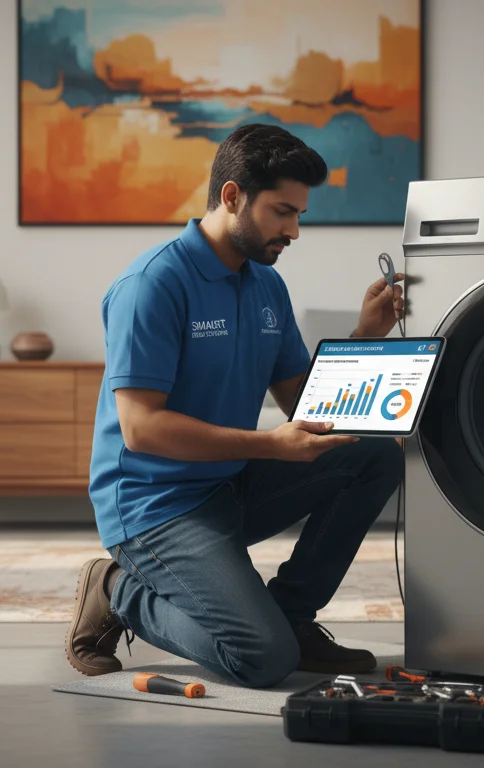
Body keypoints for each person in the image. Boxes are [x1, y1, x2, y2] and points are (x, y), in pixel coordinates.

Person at [66, 123, 406, 689]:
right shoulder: (153, 284)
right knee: (262, 659)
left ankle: (292, 616)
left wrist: (366, 336)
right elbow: (141, 429)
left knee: (372, 456)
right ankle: (116, 590)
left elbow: (303, 401)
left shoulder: (266, 285)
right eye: (282, 212)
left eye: (299, 214)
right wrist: (272, 444)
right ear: (232, 197)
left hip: (230, 486)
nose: (294, 230)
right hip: (156, 508)